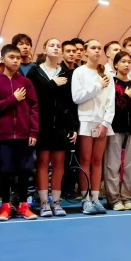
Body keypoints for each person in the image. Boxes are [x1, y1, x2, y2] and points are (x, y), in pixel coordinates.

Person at [27, 38, 78, 217]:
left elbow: (70, 102)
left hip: (61, 126)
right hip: (41, 125)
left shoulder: (66, 72)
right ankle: (44, 203)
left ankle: (56, 202)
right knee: (42, 163)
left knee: (58, 164)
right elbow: (33, 98)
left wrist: (73, 126)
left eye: (58, 46)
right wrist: (52, 84)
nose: (55, 48)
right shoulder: (34, 72)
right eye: (52, 45)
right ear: (44, 49)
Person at [0, 45, 39, 221]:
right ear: (3, 59)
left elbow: (34, 108)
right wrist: (13, 99)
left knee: (25, 171)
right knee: (6, 172)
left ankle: (24, 206)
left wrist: (34, 131)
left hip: (25, 136)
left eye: (18, 58)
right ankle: (5, 206)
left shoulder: (26, 82)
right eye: (11, 57)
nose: (16, 60)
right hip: (5, 136)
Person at [71, 39, 115, 215]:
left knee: (98, 161)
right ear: (86, 52)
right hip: (85, 121)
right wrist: (98, 86)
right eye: (93, 48)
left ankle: (95, 198)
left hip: (102, 123)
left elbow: (111, 101)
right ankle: (85, 199)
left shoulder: (107, 73)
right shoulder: (79, 72)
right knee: (85, 161)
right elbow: (77, 97)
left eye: (99, 48)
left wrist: (105, 123)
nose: (97, 51)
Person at [103, 50, 131, 211]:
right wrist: (125, 96)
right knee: (113, 164)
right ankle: (114, 199)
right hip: (115, 128)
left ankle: (127, 197)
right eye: (123, 61)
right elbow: (113, 107)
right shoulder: (111, 83)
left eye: (129, 62)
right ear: (115, 64)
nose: (126, 65)